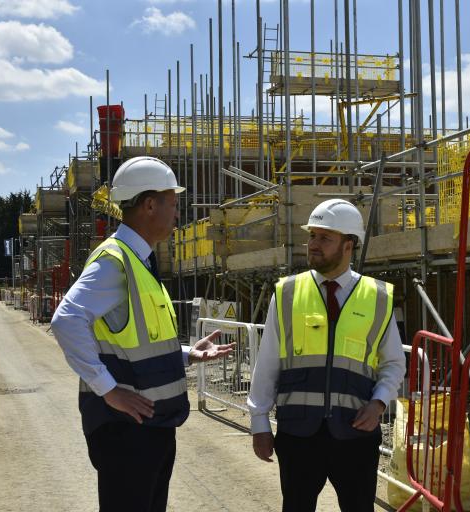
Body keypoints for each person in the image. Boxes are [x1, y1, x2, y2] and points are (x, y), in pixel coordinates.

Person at [51, 156, 234, 512]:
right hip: (127, 431)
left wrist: (187, 354)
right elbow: (66, 319)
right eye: (174, 203)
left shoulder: (139, 261)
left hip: (151, 428)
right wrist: (108, 390)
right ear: (150, 205)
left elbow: (137, 343)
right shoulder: (115, 261)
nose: (178, 213)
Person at [247, 199, 406, 512]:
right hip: (298, 434)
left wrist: (378, 404)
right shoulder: (288, 292)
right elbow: (267, 364)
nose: (313, 245)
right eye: (312, 236)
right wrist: (259, 423)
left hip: (355, 434)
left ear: (349, 245)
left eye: (324, 238)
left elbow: (393, 364)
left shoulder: (377, 297)